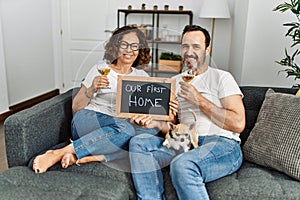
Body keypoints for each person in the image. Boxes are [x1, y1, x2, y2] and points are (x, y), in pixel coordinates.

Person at [32, 25, 177, 173]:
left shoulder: (142, 76)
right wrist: (91, 89)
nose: (129, 50)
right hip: (89, 120)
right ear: (116, 46)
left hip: (118, 130)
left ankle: (94, 156)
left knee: (147, 135)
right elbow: (76, 107)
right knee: (125, 129)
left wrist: (165, 109)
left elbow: (147, 109)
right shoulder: (100, 69)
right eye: (124, 45)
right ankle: (59, 153)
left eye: (134, 46)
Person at [129, 25, 246, 199]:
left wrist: (198, 99)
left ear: (207, 49)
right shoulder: (174, 82)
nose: (189, 52)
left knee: (182, 164)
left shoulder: (222, 77)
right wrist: (153, 122)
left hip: (222, 143)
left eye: (196, 47)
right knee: (138, 142)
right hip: (186, 141)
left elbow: (238, 124)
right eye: (185, 46)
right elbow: (172, 128)